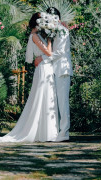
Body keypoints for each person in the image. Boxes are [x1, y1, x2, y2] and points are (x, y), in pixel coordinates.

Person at [0, 12, 58, 143]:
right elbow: (49, 52)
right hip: (43, 69)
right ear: (37, 23)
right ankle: (39, 131)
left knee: (48, 98)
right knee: (40, 97)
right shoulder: (34, 36)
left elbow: (48, 54)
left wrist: (48, 39)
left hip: (47, 67)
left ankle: (47, 132)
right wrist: (50, 40)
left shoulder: (41, 35)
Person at [34, 7, 73, 142]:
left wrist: (43, 59)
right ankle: (57, 131)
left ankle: (64, 133)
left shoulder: (62, 31)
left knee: (62, 102)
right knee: (54, 102)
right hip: (55, 69)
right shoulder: (54, 31)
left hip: (62, 69)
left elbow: (60, 52)